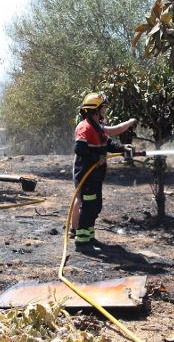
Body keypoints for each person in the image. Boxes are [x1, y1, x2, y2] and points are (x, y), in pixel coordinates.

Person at [72, 93, 137, 251]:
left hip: (96, 176)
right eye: (103, 108)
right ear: (96, 109)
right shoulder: (84, 127)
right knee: (88, 207)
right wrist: (96, 158)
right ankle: (81, 242)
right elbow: (79, 148)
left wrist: (123, 148)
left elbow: (108, 143)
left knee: (95, 206)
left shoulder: (98, 127)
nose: (105, 111)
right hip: (86, 176)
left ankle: (89, 237)